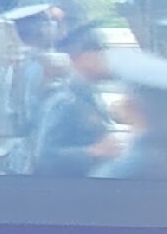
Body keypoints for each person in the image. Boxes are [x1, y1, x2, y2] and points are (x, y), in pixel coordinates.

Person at [31, 28, 124, 177]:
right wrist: (93, 152)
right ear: (86, 58)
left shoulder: (89, 95)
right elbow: (44, 156)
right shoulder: (64, 101)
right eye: (102, 56)